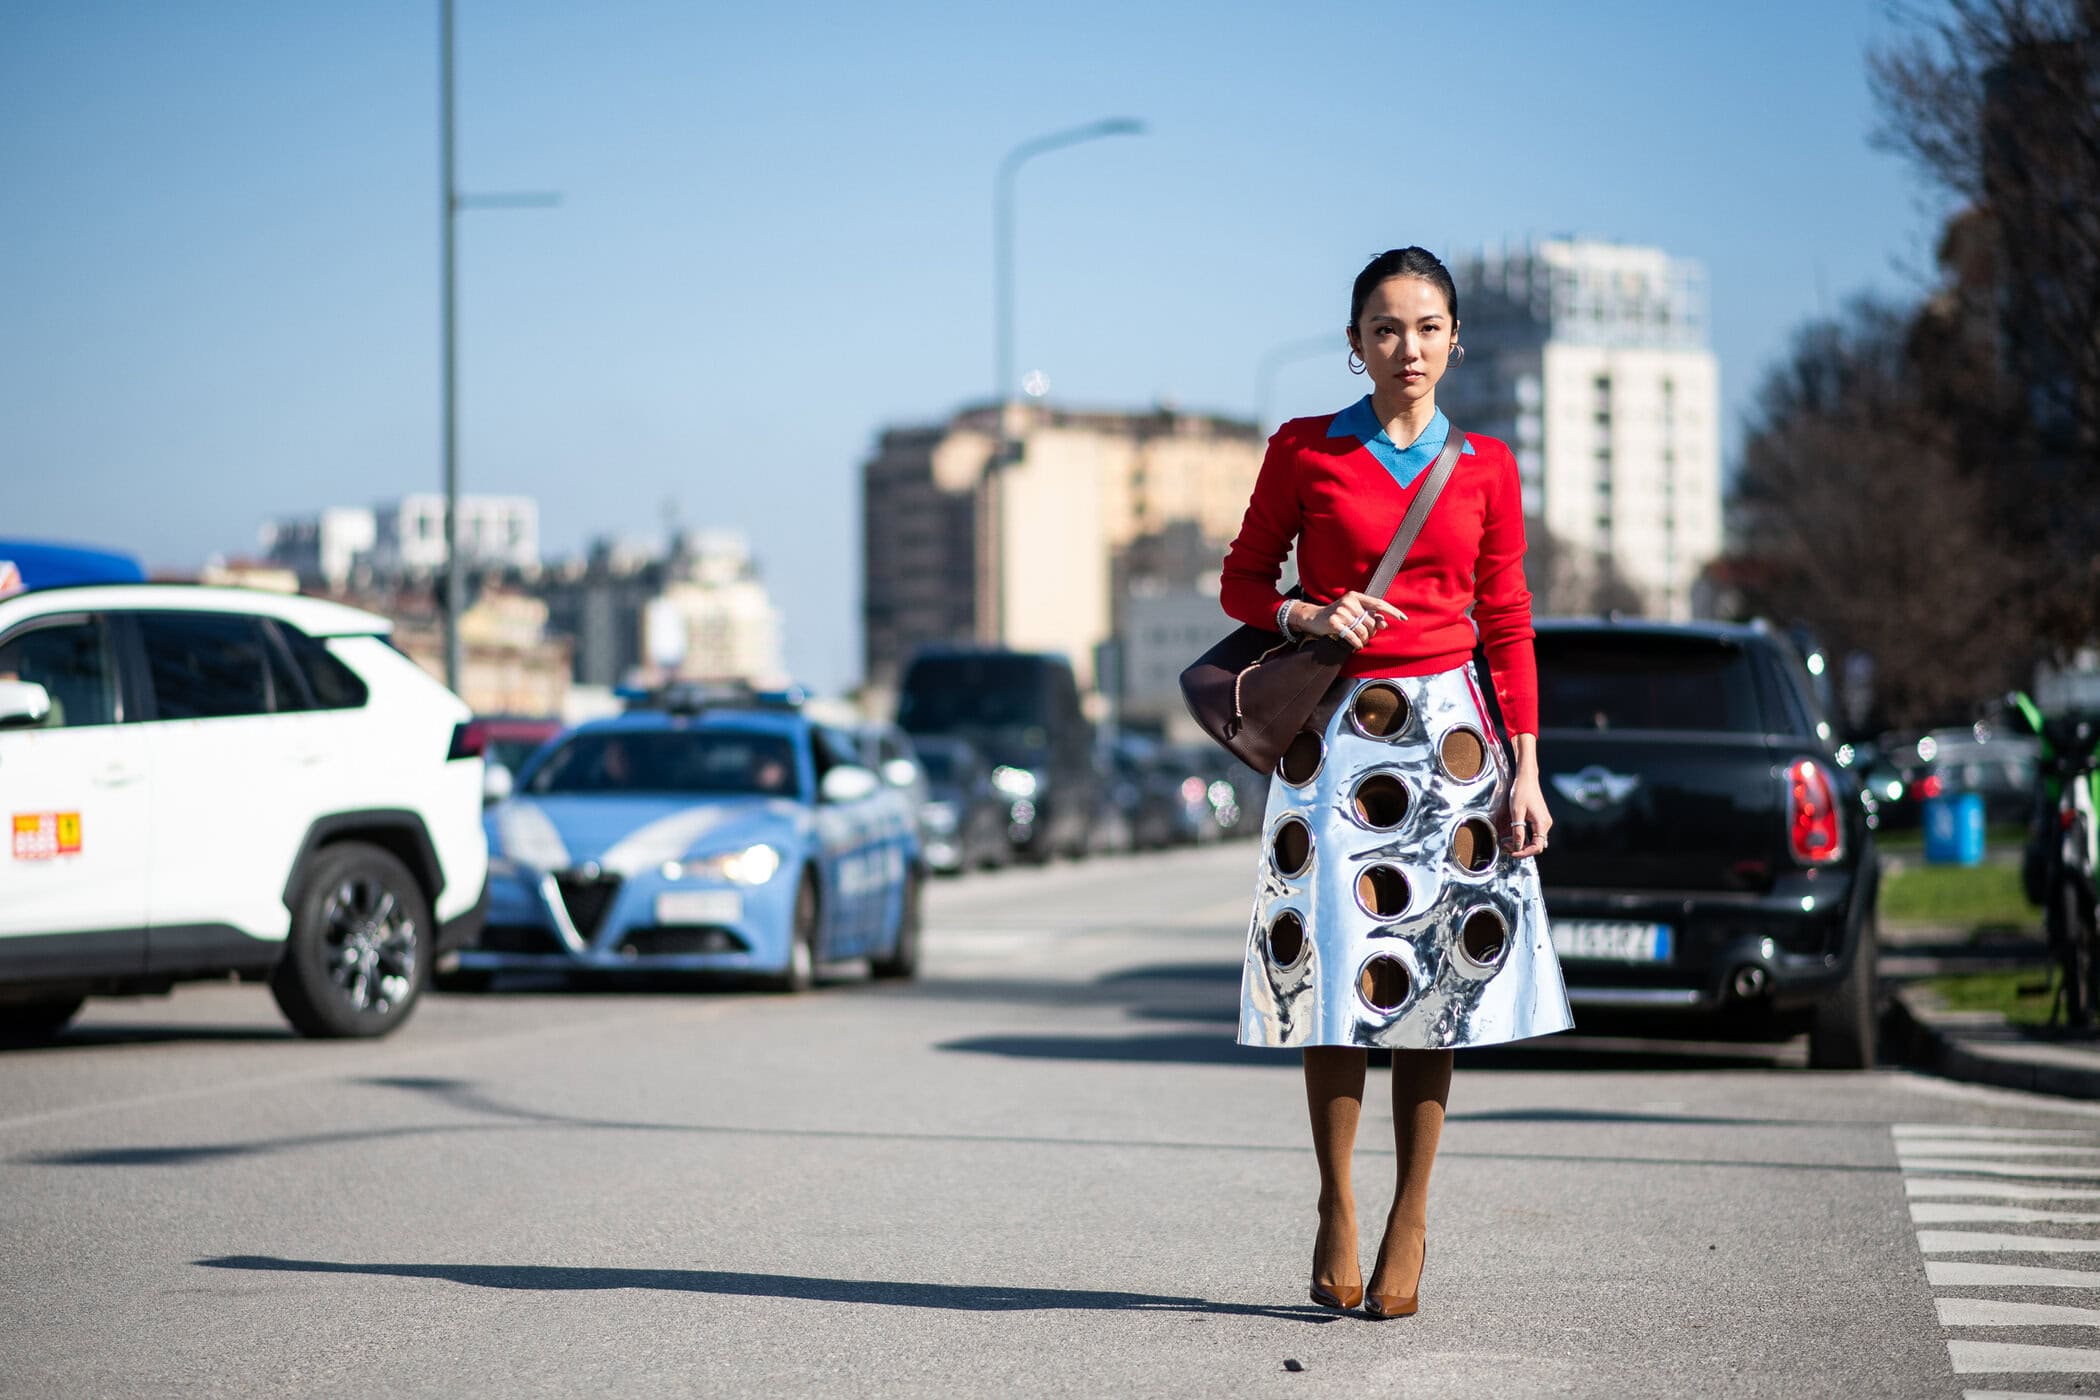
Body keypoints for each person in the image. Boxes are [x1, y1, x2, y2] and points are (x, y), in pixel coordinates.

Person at [1220, 246, 1573, 1319]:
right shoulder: (1306, 449)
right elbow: (1242, 576)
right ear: (1355, 342)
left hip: (1454, 748)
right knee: (1336, 971)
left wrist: (1527, 769)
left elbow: (1507, 622)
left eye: (1426, 326)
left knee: (1438, 985)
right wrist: (1310, 616)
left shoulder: (1486, 468)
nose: (1406, 346)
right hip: (1334, 745)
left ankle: (1410, 1212)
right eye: (1386, 327)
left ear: (1454, 339)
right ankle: (1336, 1200)